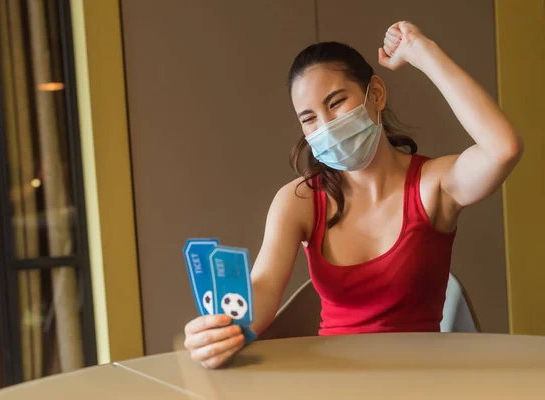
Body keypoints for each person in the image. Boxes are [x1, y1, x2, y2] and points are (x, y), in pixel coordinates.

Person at [183, 21, 523, 369]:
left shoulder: (433, 185)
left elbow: (503, 149)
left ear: (375, 94)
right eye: (309, 118)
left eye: (336, 102)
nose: (326, 125)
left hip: (421, 380)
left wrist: (423, 53)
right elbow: (264, 287)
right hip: (334, 381)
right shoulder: (298, 201)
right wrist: (220, 332)